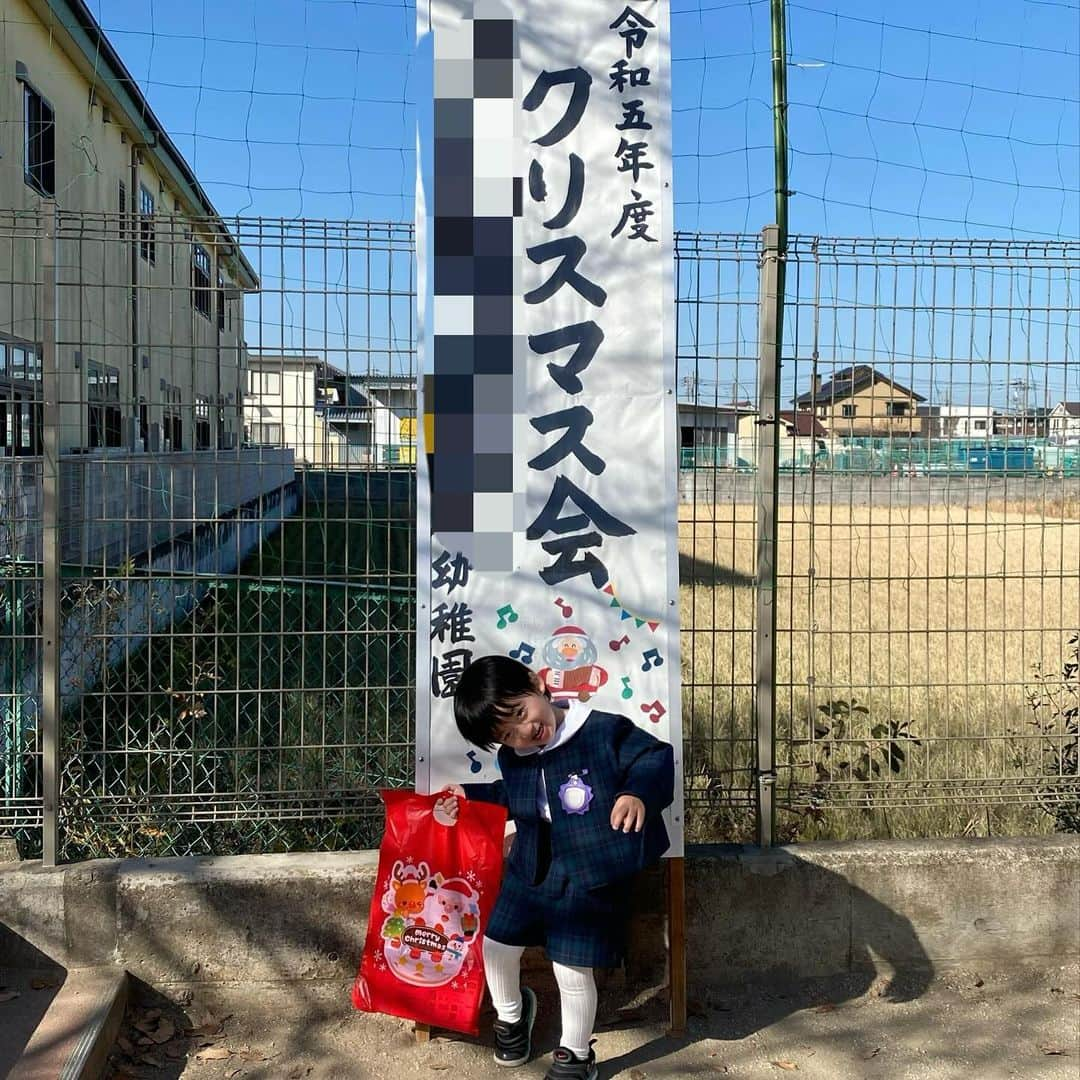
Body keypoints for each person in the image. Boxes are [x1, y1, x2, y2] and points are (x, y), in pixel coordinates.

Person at [434, 655, 674, 1080]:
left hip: (589, 872)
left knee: (571, 966)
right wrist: (469, 794)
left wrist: (637, 793)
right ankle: (512, 1016)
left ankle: (576, 1055)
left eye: (521, 714)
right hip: (531, 864)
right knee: (497, 943)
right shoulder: (516, 756)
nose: (524, 732)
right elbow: (515, 795)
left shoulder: (600, 731)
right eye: (507, 734)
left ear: (536, 682)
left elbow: (654, 757)